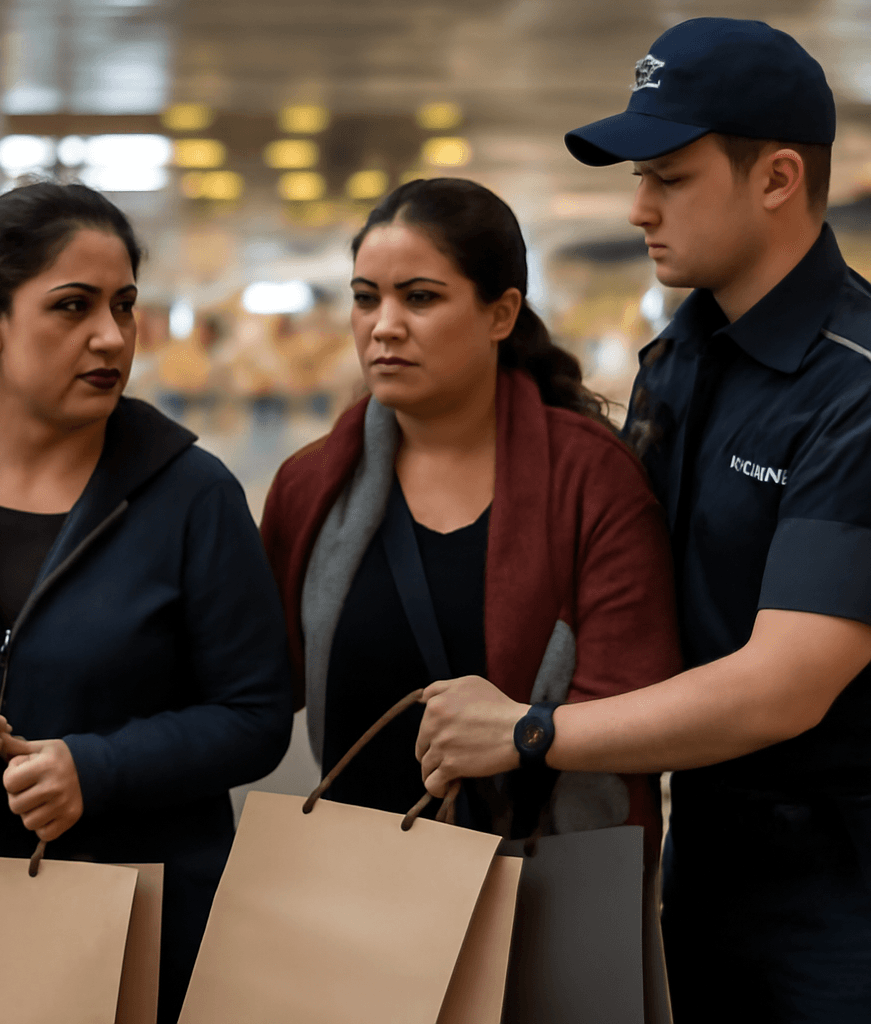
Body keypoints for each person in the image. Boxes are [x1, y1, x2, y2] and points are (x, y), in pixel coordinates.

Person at [415, 18, 871, 1024]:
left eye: (667, 175)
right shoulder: (680, 360)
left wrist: (531, 733)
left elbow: (783, 685)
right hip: (701, 865)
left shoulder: (854, 392)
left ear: (777, 177)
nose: (636, 208)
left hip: (840, 895)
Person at [0, 182, 293, 1023]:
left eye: (124, 305)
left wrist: (99, 767)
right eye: (72, 306)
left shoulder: (192, 496)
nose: (111, 336)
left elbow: (257, 713)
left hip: (133, 937)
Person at [261, 177, 680, 853]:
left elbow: (641, 702)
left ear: (500, 314)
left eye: (420, 298)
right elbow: (251, 690)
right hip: (353, 895)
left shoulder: (591, 481)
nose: (384, 325)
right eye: (366, 299)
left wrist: (522, 730)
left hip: (546, 886)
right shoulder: (311, 488)